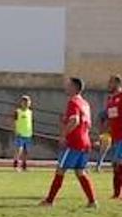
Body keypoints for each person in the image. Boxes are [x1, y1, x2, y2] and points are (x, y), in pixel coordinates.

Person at [40, 76, 98, 208]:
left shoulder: (73, 102)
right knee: (80, 171)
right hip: (85, 142)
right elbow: (86, 123)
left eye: (68, 85)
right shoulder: (85, 104)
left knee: (60, 170)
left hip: (74, 142)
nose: (66, 87)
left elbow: (75, 121)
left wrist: (63, 135)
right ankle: (92, 201)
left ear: (75, 88)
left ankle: (49, 201)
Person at [12, 95, 34, 171]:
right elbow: (14, 122)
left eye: (28, 102)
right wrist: (16, 131)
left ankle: (24, 165)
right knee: (19, 149)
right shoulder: (18, 111)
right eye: (25, 102)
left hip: (28, 134)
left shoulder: (30, 112)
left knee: (26, 151)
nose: (27, 103)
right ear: (22, 103)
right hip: (20, 134)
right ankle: (16, 164)